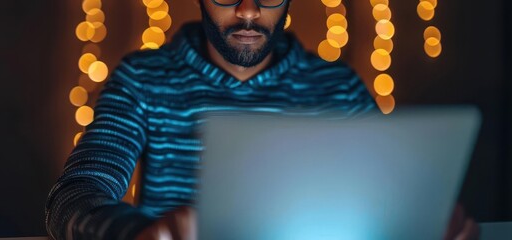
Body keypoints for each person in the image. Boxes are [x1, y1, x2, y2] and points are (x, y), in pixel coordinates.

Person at [45, 0, 479, 239]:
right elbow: (74, 196)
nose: (249, 11)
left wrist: (426, 224)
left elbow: (393, 202)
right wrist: (137, 234)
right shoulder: (142, 79)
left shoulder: (337, 87)